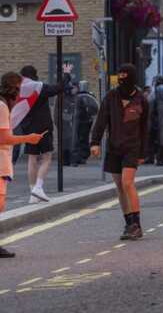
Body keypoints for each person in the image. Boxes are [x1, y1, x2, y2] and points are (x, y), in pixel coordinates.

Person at [90, 64, 149, 241]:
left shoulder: (141, 100)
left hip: (132, 147)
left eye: (125, 75)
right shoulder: (111, 97)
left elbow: (145, 128)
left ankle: (137, 225)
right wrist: (95, 142)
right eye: (119, 75)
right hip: (114, 146)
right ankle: (128, 222)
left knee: (127, 183)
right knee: (120, 187)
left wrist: (143, 153)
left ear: (132, 77)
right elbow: (101, 120)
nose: (122, 78)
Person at [11, 63, 73, 204]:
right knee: (46, 157)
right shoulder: (39, 87)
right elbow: (59, 88)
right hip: (43, 127)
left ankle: (32, 193)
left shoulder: (18, 89)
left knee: (32, 159)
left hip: (28, 129)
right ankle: (38, 187)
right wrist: (66, 73)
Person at [0, 72, 45, 258]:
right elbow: (3, 137)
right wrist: (29, 138)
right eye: (19, 89)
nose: (20, 95)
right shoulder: (2, 106)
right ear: (14, 88)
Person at [73, 81, 98, 165]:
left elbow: (94, 108)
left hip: (82, 120)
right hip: (85, 120)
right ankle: (82, 156)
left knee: (80, 138)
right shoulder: (88, 95)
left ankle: (81, 156)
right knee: (83, 138)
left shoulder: (79, 96)